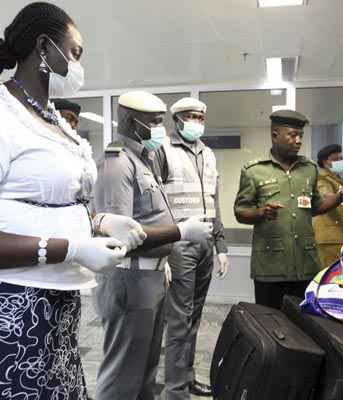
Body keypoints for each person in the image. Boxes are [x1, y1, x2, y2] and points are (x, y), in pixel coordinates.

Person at [0, 3, 144, 399]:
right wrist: (71, 248)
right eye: (76, 53)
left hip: (55, 307)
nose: (79, 65)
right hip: (1, 311)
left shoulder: (53, 122)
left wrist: (101, 222)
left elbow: (51, 204)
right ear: (44, 47)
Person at [94, 91, 213, 400]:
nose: (161, 128)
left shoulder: (144, 158)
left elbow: (149, 215)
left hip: (152, 276)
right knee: (123, 375)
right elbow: (120, 237)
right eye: (155, 122)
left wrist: (164, 262)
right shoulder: (118, 162)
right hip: (130, 278)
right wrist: (181, 231)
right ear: (133, 123)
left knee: (145, 372)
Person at [234, 109, 343, 309]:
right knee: (270, 323)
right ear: (275, 135)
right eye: (292, 135)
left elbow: (317, 206)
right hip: (270, 266)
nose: (298, 140)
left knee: (304, 324)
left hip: (305, 264)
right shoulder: (254, 170)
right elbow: (240, 211)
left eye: (300, 136)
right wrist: (261, 213)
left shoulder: (309, 169)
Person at [155, 97, 228, 398]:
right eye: (190, 116)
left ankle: (188, 377)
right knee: (179, 319)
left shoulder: (208, 154)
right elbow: (154, 202)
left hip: (206, 245)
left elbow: (214, 201)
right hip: (178, 244)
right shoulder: (163, 151)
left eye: (200, 116)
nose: (197, 121)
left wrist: (221, 245)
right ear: (177, 120)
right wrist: (162, 252)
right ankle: (175, 388)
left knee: (195, 317)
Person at [313, 144, 343, 268]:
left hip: (340, 235)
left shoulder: (336, 179)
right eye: (336, 159)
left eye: (341, 159)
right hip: (330, 238)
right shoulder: (322, 179)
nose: (340, 162)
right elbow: (327, 199)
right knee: (331, 278)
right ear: (325, 162)